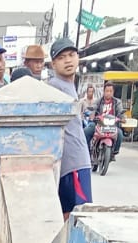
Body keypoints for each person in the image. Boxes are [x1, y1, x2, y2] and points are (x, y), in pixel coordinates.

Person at [47, 38, 93, 218]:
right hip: (72, 163)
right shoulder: (54, 87)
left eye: (72, 55)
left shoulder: (69, 86)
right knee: (75, 217)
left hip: (78, 161)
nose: (68, 60)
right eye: (61, 57)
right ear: (53, 64)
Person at [86, 81, 123, 148]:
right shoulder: (98, 101)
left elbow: (120, 111)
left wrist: (123, 118)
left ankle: (114, 152)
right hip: (99, 124)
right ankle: (86, 150)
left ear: (113, 92)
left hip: (112, 126)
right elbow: (94, 107)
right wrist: (92, 114)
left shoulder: (117, 102)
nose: (108, 93)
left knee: (120, 134)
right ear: (104, 91)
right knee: (86, 131)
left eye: (110, 91)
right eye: (107, 91)